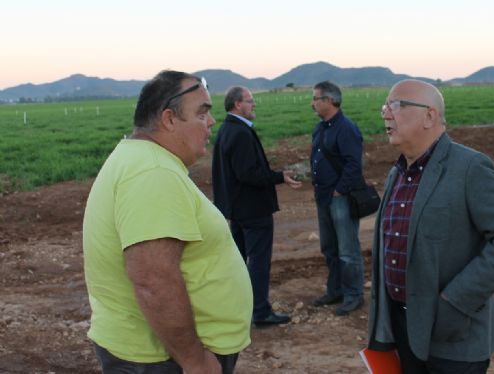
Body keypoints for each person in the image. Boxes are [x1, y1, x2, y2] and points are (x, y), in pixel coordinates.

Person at [83, 70, 252, 374]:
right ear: (169, 119)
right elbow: (153, 280)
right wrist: (194, 361)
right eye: (202, 113)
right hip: (162, 361)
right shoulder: (152, 173)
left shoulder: (142, 160)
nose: (211, 122)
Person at [367, 79, 494, 373]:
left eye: (396, 105)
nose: (386, 114)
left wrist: (453, 303)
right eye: (385, 106)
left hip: (455, 336)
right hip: (404, 329)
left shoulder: (471, 168)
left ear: (429, 115)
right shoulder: (399, 173)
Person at [212, 86, 302, 327]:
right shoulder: (240, 133)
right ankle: (260, 312)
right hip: (253, 210)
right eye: (250, 101)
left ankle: (239, 309)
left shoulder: (226, 129)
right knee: (258, 262)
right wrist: (279, 176)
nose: (254, 105)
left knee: (240, 262)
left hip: (236, 210)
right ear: (237, 105)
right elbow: (248, 174)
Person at [309, 81, 366, 316]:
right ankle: (335, 291)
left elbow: (355, 164)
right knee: (329, 248)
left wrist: (339, 190)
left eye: (316, 99)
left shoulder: (346, 128)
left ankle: (354, 295)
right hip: (323, 197)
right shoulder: (320, 128)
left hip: (339, 197)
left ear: (330, 101)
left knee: (347, 251)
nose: (312, 103)